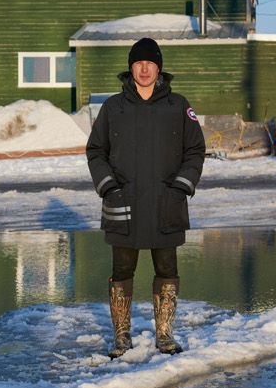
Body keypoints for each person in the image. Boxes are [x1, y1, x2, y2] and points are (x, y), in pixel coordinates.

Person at [86, 36, 205, 356]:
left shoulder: (178, 106)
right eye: (138, 64)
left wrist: (182, 185)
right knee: (122, 269)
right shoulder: (113, 107)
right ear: (130, 68)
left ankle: (164, 334)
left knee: (166, 268)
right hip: (122, 201)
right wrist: (108, 186)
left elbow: (195, 150)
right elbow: (96, 151)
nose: (144, 69)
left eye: (149, 64)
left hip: (167, 202)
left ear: (159, 68)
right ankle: (121, 336)